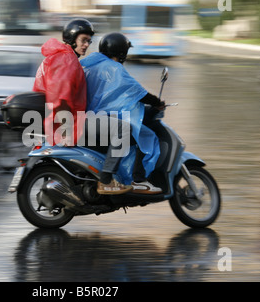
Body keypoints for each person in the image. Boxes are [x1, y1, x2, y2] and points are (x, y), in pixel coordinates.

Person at [81, 32, 164, 195]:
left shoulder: (89, 64)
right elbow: (137, 91)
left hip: (89, 117)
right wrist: (156, 102)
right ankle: (137, 180)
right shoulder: (114, 68)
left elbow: (113, 94)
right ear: (122, 52)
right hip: (99, 120)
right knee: (145, 136)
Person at [32, 18, 94, 147]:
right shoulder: (67, 59)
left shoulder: (58, 56)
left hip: (54, 123)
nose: (87, 45)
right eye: (83, 40)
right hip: (63, 127)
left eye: (89, 41)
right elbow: (60, 100)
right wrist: (66, 134)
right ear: (72, 38)